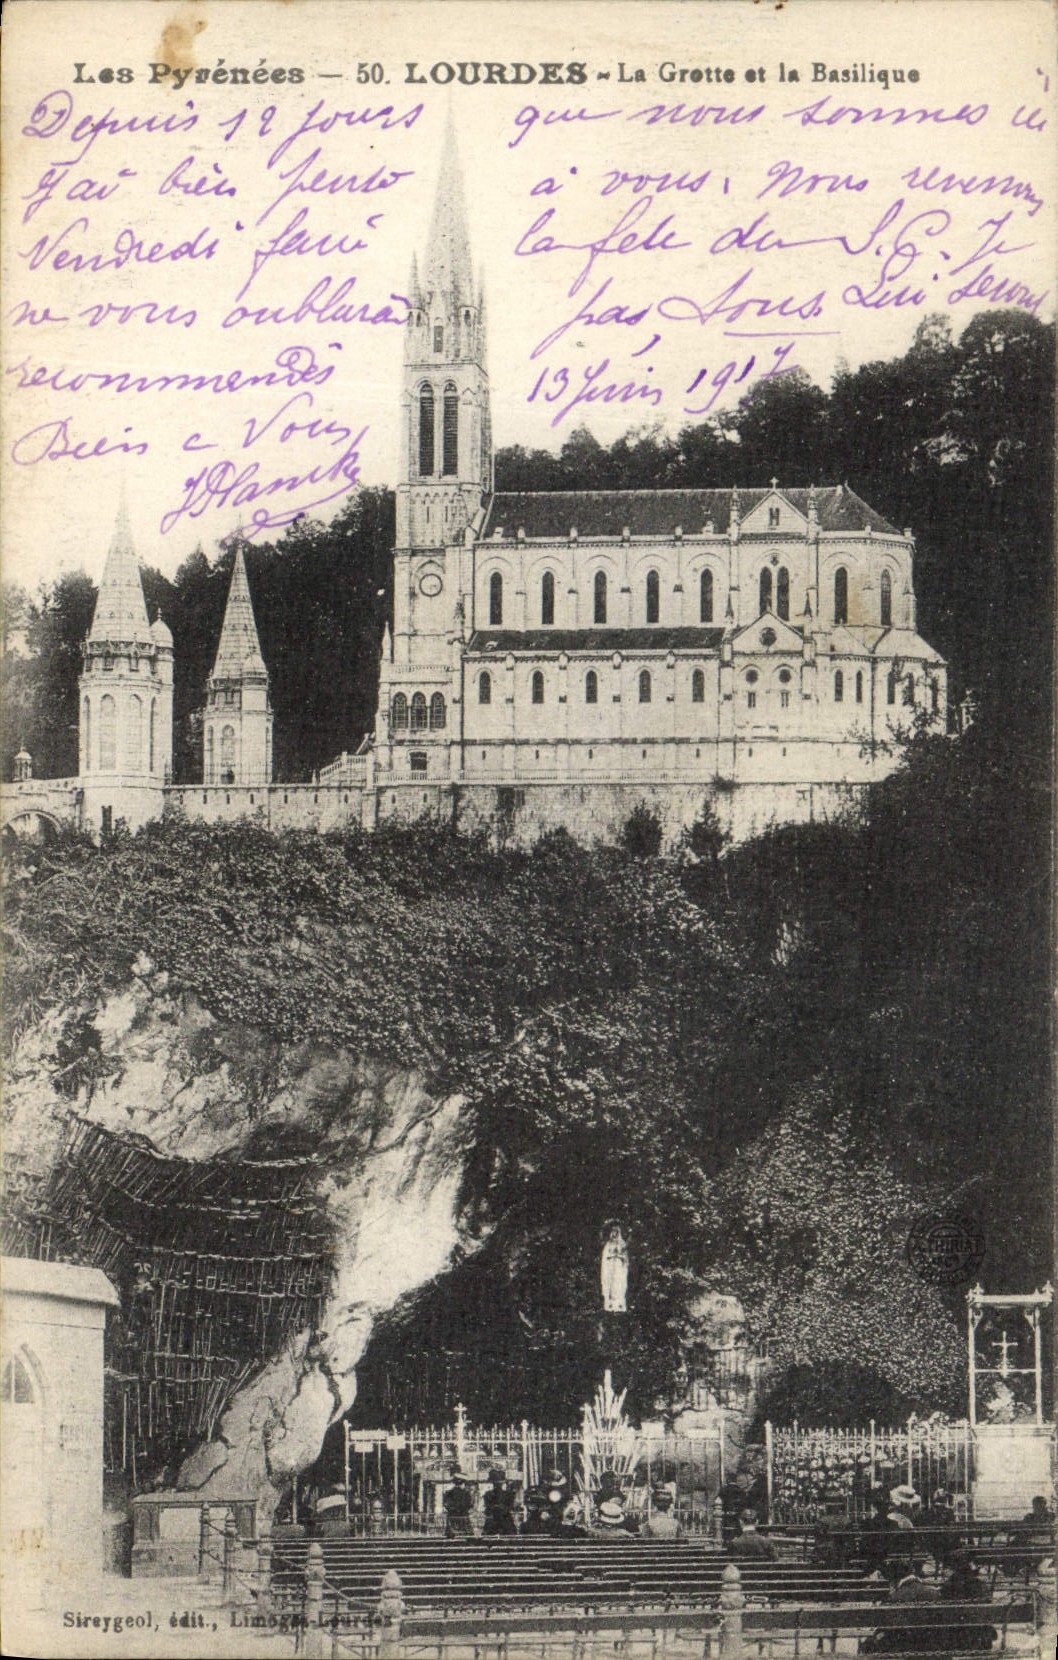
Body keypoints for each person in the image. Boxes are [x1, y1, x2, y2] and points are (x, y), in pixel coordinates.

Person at [482, 1468, 519, 1536]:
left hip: (493, 1522)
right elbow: (511, 1508)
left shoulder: (488, 1494)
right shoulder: (509, 1494)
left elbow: (487, 1510)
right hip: (506, 1522)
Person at [443, 1469, 475, 1538]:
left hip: (452, 1516)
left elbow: (446, 1505)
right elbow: (470, 1505)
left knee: (451, 1535)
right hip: (463, 1516)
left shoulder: (448, 1493)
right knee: (466, 1534)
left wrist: (453, 1509)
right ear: (462, 1482)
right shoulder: (466, 1493)